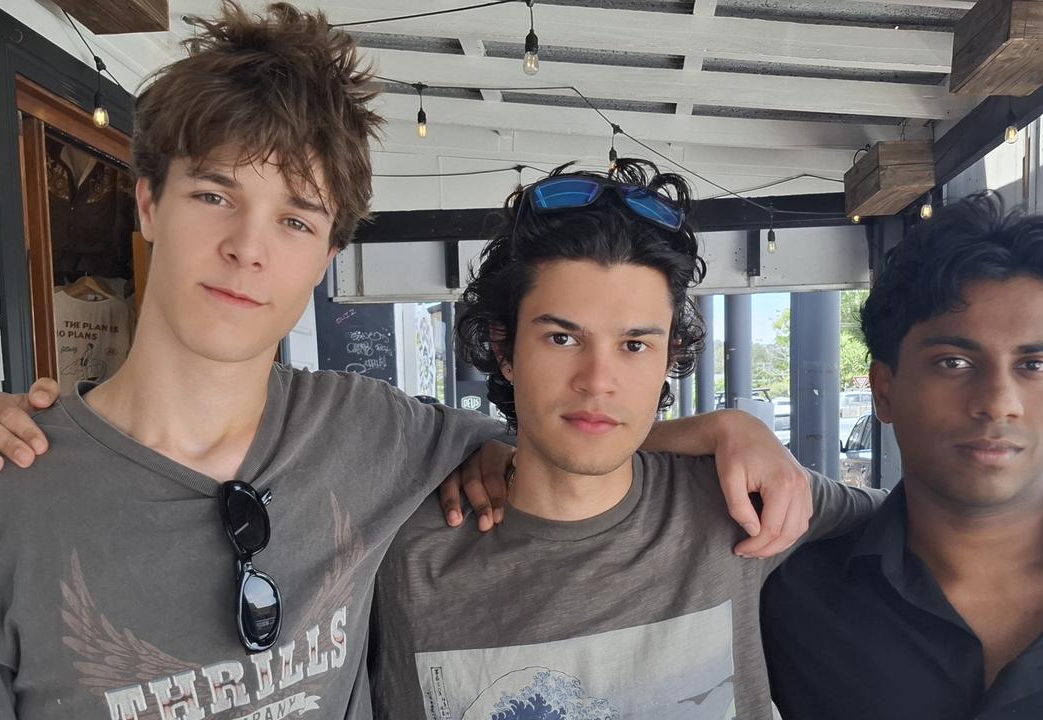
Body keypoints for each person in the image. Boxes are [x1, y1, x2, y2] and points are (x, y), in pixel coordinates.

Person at [0, 5, 811, 718]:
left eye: (297, 219)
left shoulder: (378, 433)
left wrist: (728, 429)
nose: (248, 249)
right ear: (148, 202)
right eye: (213, 194)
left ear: (328, 255)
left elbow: (565, 434)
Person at [367, 161, 883, 719]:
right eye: (562, 337)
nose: (597, 380)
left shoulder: (737, 505)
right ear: (503, 348)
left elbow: (916, 521)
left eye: (635, 345)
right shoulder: (399, 554)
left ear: (668, 358)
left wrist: (739, 430)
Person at [760, 193, 1043, 719]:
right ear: (884, 389)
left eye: (1034, 365)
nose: (998, 402)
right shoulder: (797, 599)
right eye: (953, 361)